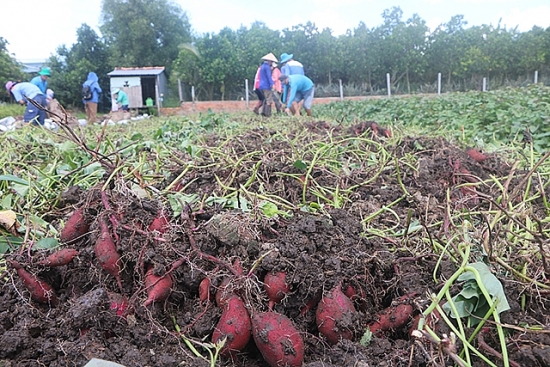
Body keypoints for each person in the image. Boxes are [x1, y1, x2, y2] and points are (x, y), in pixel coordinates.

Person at [258, 52, 278, 117]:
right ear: (269, 61)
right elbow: (269, 77)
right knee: (269, 101)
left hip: (261, 85)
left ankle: (263, 113)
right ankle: (267, 114)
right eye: (271, 61)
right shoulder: (267, 67)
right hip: (266, 86)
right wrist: (272, 84)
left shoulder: (262, 66)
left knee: (265, 100)